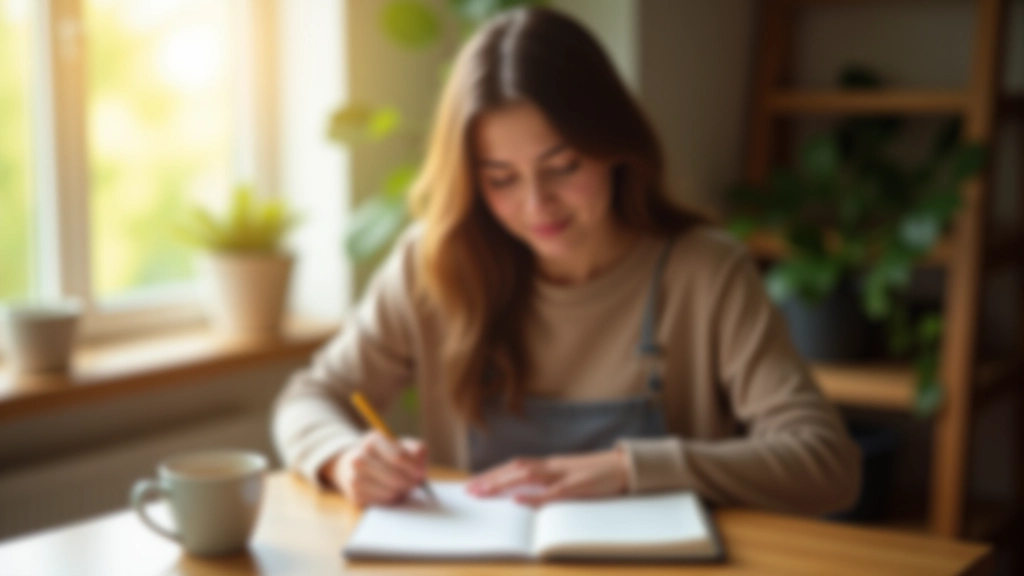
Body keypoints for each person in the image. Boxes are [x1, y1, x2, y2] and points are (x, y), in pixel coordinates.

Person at [272, 6, 861, 514]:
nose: (536, 206)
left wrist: (632, 470)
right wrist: (342, 457)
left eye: (563, 167)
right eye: (501, 179)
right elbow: (309, 398)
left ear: (613, 147)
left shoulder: (705, 272)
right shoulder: (433, 264)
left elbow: (828, 465)